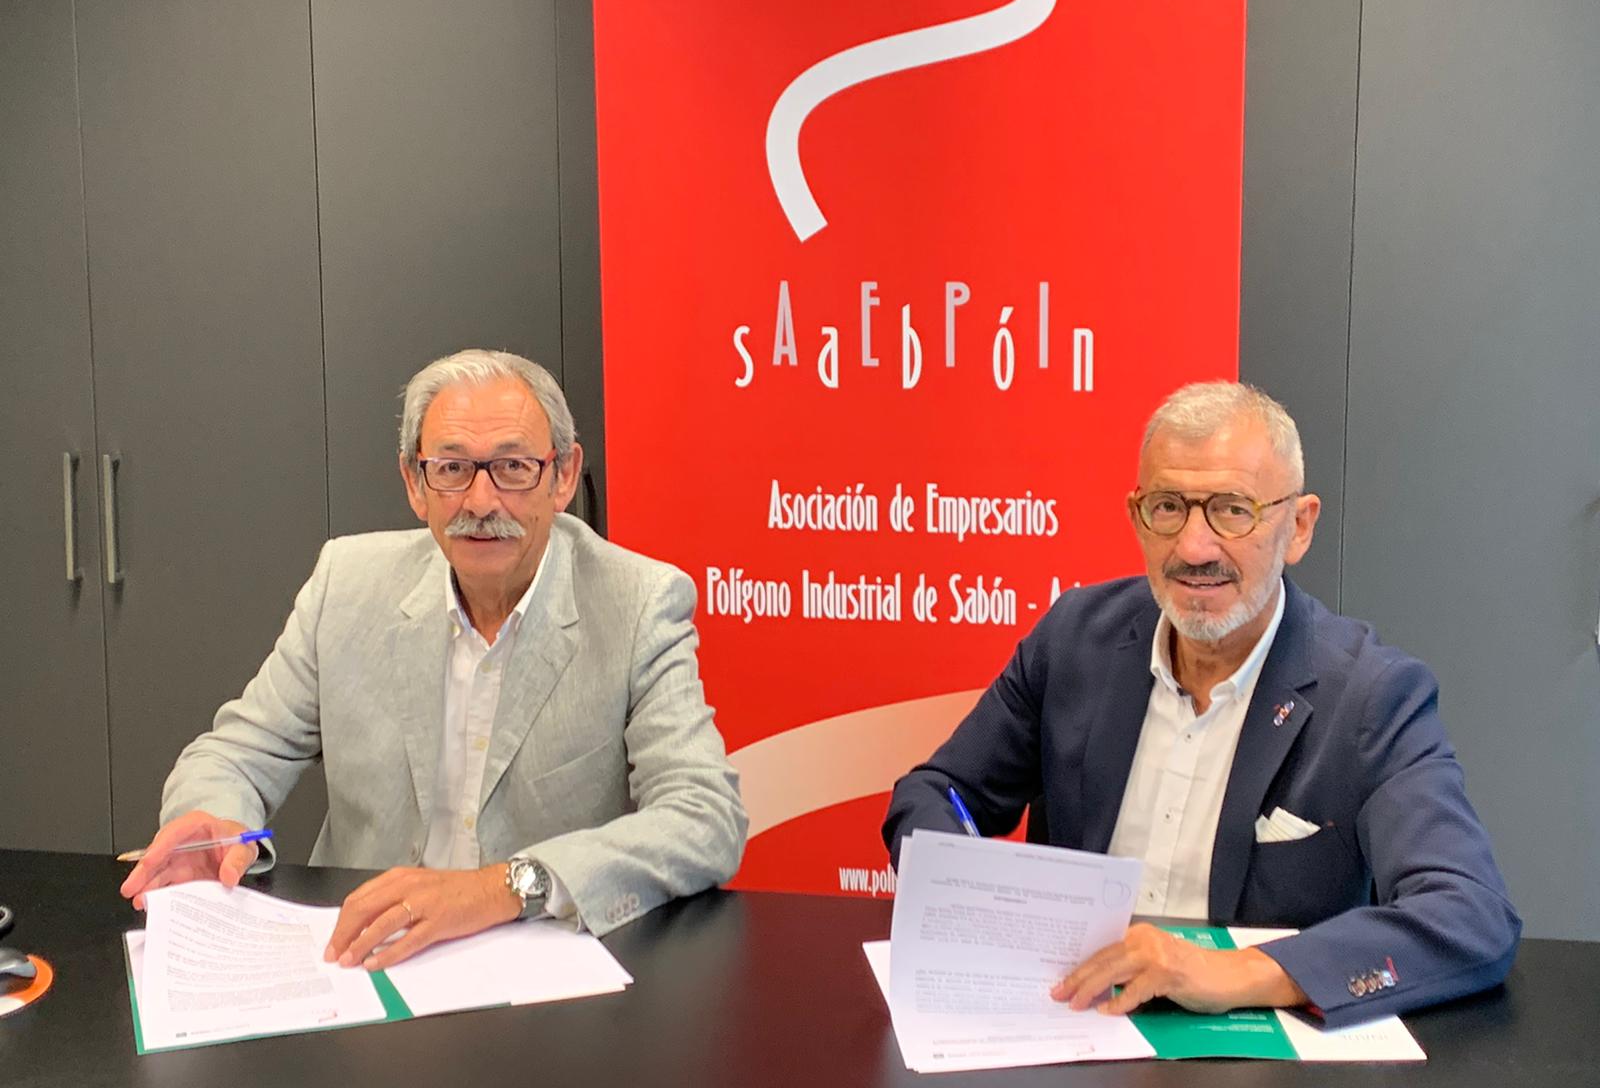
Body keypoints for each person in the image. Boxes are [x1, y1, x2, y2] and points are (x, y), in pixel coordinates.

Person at [882, 381, 1519, 1027]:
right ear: (1137, 516)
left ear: (1298, 527)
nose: (1193, 548)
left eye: (1232, 511)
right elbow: (936, 793)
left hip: (1255, 1046)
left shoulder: (1369, 696)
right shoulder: (1076, 639)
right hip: (1080, 1021)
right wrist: (982, 904)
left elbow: (1469, 914)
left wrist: (1237, 971)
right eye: (1167, 508)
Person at [121, 349, 747, 969]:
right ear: (414, 484)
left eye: (513, 467)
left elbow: (704, 817)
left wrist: (501, 888)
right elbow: (233, 756)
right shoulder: (347, 584)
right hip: (362, 959)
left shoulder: (637, 602)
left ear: (562, 477)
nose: (480, 502)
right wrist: (217, 824)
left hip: (539, 972)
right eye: (451, 468)